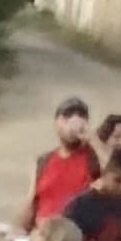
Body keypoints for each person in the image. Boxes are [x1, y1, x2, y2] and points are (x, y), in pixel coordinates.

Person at [27, 96, 97, 226]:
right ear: (56, 123)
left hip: (75, 237)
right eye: (67, 116)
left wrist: (92, 138)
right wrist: (16, 231)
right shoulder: (44, 160)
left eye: (81, 116)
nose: (74, 120)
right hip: (42, 238)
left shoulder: (94, 157)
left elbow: (117, 172)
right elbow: (31, 203)